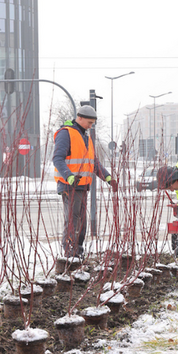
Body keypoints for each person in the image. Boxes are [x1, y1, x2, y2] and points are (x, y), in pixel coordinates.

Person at [52, 105, 116, 258]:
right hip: (69, 185)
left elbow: (93, 163)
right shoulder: (66, 134)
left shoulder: (85, 137)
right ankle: (70, 253)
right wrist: (69, 176)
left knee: (81, 223)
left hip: (82, 186)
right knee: (73, 221)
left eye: (92, 123)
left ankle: (78, 252)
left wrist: (107, 177)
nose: (90, 126)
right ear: (79, 118)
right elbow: (57, 159)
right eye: (89, 123)